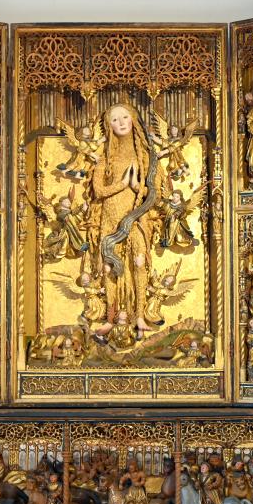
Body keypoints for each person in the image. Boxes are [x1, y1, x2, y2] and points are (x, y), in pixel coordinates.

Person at [91, 103, 162, 333]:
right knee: (108, 267)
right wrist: (122, 184)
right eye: (114, 119)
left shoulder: (145, 157)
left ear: (133, 119)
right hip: (110, 216)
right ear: (108, 126)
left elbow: (156, 193)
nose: (120, 123)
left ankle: (139, 316)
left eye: (124, 117)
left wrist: (136, 186)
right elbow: (98, 191)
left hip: (135, 216)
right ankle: (110, 318)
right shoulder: (106, 159)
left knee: (139, 261)